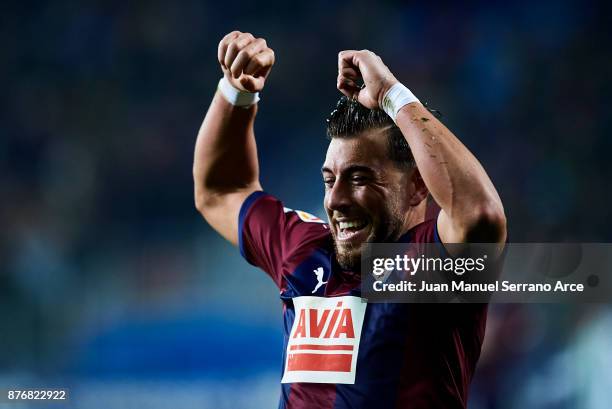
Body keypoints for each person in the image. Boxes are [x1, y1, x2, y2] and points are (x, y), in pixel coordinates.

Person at [193, 31, 506, 409]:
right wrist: (237, 92)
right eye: (329, 180)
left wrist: (392, 94)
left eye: (359, 179)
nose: (336, 199)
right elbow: (220, 190)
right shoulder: (305, 250)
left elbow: (480, 214)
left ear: (418, 187)